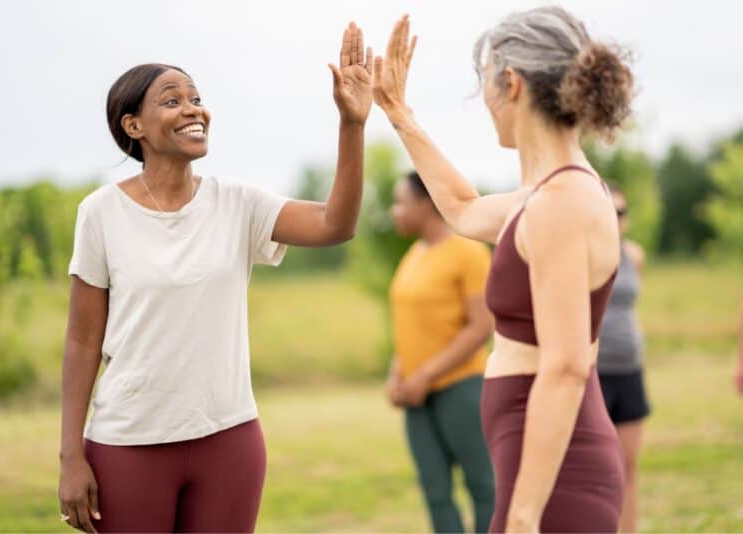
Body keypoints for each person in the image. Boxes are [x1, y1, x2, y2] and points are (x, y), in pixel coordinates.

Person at [58, 22, 373, 533]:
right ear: (133, 126)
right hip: (128, 444)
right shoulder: (100, 213)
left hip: (229, 440)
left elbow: (336, 223)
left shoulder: (238, 203)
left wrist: (351, 125)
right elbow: (81, 340)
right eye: (172, 100)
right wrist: (71, 455)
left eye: (196, 97)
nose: (192, 109)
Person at [372, 7, 633, 532]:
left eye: (485, 85)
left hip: (558, 469)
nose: (485, 103)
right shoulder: (545, 195)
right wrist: (399, 112)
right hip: (537, 455)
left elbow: (563, 366)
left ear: (511, 83)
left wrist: (521, 514)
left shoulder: (562, 201)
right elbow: (463, 207)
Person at [387, 170, 495, 532]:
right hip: (417, 398)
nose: (394, 212)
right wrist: (397, 374)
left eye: (400, 203)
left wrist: (426, 375)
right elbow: (411, 325)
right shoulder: (413, 256)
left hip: (461, 388)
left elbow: (482, 326)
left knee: (484, 488)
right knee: (436, 494)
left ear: (424, 204)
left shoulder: (469, 252)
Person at [597, 182, 649, 533]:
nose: (617, 219)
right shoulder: (584, 252)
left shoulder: (634, 255)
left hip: (630, 367)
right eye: (610, 211)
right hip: (595, 371)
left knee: (628, 466)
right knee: (599, 467)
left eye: (621, 213)